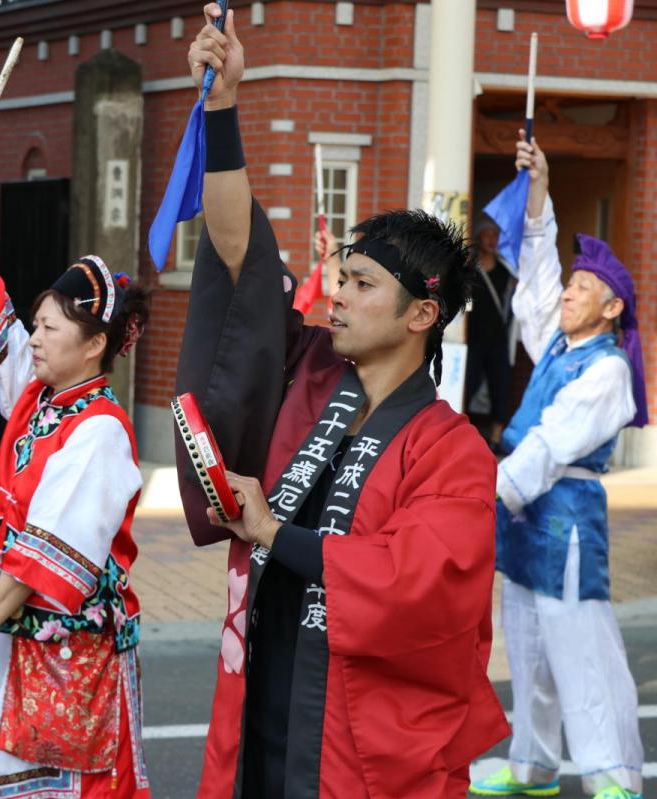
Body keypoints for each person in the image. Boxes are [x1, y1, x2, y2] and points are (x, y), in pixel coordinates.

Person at [175, 6, 509, 797]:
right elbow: (242, 257)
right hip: (265, 701)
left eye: (363, 285)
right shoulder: (315, 375)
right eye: (342, 277)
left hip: (364, 745)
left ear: (422, 314)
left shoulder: (452, 451)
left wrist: (270, 530)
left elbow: (414, 584)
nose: (338, 295)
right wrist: (223, 108)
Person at [0, 127, 151, 797]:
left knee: (64, 787)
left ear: (93, 347)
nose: (32, 337)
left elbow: (46, 549)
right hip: (19, 631)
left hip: (63, 648)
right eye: (36, 324)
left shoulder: (100, 431)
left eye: (50, 328)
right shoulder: (39, 398)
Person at [469, 137, 646, 799]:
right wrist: (537, 192)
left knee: (582, 650)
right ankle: (534, 765)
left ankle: (613, 776)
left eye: (584, 287)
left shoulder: (605, 370)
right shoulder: (557, 346)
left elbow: (550, 442)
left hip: (564, 514)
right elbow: (536, 287)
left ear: (612, 308)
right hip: (524, 507)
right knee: (531, 647)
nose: (568, 293)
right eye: (572, 284)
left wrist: (488, 491)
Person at [464, 214, 517, 448]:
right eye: (487, 235)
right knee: (469, 384)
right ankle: (461, 430)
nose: (491, 240)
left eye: (495, 236)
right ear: (478, 238)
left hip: (498, 339)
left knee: (500, 386)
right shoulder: (469, 269)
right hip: (473, 338)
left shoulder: (506, 272)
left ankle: (496, 436)